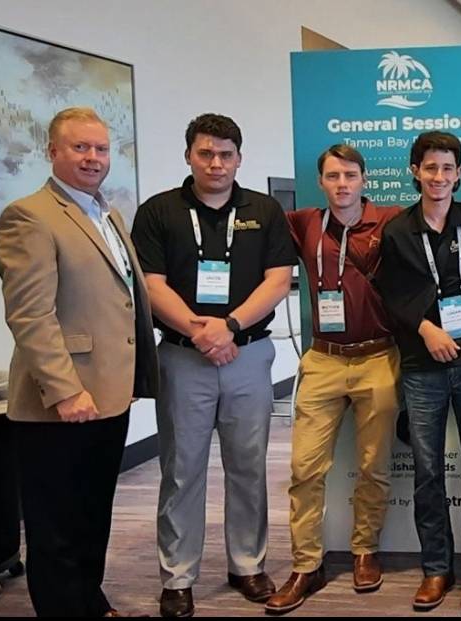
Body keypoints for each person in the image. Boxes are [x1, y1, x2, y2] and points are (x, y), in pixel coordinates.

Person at [0, 106, 159, 617]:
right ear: (53, 152)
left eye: (101, 149)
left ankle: (90, 600)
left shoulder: (106, 213)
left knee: (92, 515)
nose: (93, 158)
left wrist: (130, 375)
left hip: (108, 394)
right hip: (60, 403)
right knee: (56, 526)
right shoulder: (30, 216)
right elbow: (30, 316)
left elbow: (122, 300)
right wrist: (65, 391)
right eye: (80, 148)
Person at [131, 113, 296, 617]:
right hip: (184, 358)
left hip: (248, 355)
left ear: (239, 158)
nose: (216, 163)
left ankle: (247, 565)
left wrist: (229, 326)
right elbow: (151, 284)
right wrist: (202, 332)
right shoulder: (159, 212)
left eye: (226, 154)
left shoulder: (264, 211)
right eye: (206, 153)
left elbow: (277, 279)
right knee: (181, 469)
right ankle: (177, 576)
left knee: (248, 466)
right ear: (189, 156)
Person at [265, 145, 404, 615]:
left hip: (377, 358)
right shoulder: (304, 223)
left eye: (349, 175)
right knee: (304, 468)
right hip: (323, 360)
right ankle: (306, 563)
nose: (342, 184)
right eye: (332, 176)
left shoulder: (389, 220)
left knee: (374, 466)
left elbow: (454, 211)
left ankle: (365, 550)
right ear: (321, 182)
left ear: (365, 179)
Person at [377, 131, 461, 614]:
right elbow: (392, 294)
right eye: (430, 168)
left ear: (459, 173)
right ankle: (435, 569)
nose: (439, 177)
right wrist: (429, 329)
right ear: (414, 171)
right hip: (422, 366)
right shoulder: (397, 231)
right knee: (428, 473)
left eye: (448, 168)